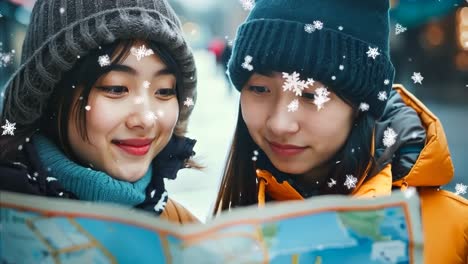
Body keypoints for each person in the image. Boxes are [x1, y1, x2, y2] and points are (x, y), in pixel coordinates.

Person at [214, 0, 468, 262]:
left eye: (312, 96)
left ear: (361, 106)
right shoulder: (224, 234)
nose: (280, 123)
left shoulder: (455, 233)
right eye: (259, 89)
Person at [0, 0, 200, 224]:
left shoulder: (181, 227)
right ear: (50, 93)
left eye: (164, 91)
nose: (145, 119)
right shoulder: (11, 231)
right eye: (116, 89)